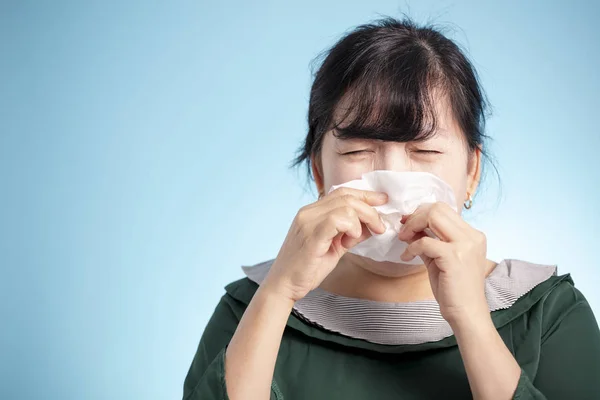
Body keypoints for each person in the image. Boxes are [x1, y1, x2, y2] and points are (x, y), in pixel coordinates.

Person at [182, 17, 600, 400]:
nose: (393, 177)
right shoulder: (248, 307)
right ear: (320, 172)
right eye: (360, 149)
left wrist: (471, 320)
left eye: (424, 150)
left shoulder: (548, 312)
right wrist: (279, 294)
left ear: (471, 170)